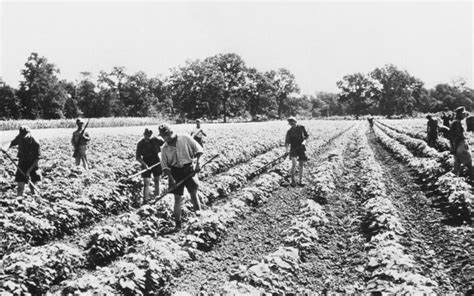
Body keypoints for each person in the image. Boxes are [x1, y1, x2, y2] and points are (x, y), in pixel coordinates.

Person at [159, 123, 203, 230]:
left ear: (170, 133)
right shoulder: (164, 148)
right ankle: (178, 224)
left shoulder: (184, 138)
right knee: (177, 198)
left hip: (188, 169)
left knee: (193, 193)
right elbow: (164, 166)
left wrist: (198, 163)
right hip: (175, 172)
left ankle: (200, 220)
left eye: (165, 135)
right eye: (162, 136)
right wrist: (172, 178)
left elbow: (199, 150)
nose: (164, 138)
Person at [2, 126, 41, 197]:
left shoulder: (35, 142)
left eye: (25, 136)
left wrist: (28, 171)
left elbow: (37, 159)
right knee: (20, 187)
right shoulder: (20, 137)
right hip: (22, 163)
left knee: (32, 187)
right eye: (22, 136)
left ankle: (37, 202)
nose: (23, 137)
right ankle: (19, 204)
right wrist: (5, 147)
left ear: (29, 133)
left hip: (32, 165)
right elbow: (12, 142)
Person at [136, 128, 165, 204]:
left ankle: (157, 199)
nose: (148, 137)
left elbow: (165, 143)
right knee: (146, 182)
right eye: (146, 135)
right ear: (144, 135)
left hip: (156, 160)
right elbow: (138, 157)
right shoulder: (140, 143)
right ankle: (145, 200)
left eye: (149, 136)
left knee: (157, 180)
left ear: (151, 135)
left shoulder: (155, 140)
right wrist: (145, 165)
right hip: (145, 161)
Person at [285, 117, 309, 187]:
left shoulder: (301, 127)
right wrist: (286, 150)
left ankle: (300, 181)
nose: (292, 125)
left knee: (301, 164)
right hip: (293, 148)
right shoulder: (289, 132)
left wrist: (304, 141)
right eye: (290, 124)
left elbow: (306, 136)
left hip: (301, 147)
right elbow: (287, 142)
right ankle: (293, 181)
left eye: (293, 123)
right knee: (294, 164)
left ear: (295, 122)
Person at [450, 106, 472, 178]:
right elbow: (457, 137)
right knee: (470, 165)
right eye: (463, 114)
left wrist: (453, 148)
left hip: (457, 147)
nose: (464, 115)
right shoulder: (457, 123)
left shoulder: (455, 122)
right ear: (459, 114)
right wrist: (454, 148)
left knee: (457, 167)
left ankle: (456, 183)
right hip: (460, 146)